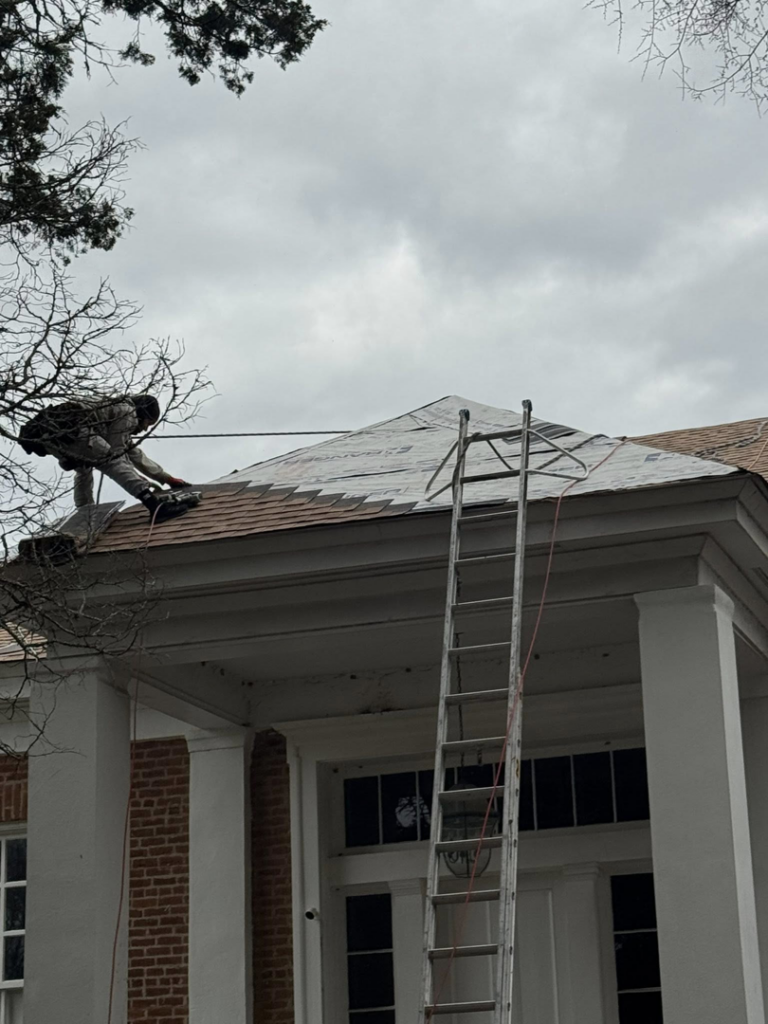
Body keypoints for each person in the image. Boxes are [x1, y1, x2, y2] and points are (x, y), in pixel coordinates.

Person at [18, 395, 200, 523]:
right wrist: (141, 484)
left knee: (84, 468)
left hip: (53, 435)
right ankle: (155, 508)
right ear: (143, 414)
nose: (144, 429)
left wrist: (166, 478)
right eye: (147, 424)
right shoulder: (128, 411)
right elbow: (117, 454)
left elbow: (133, 453)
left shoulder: (113, 408)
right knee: (111, 461)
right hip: (74, 430)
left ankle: (85, 513)